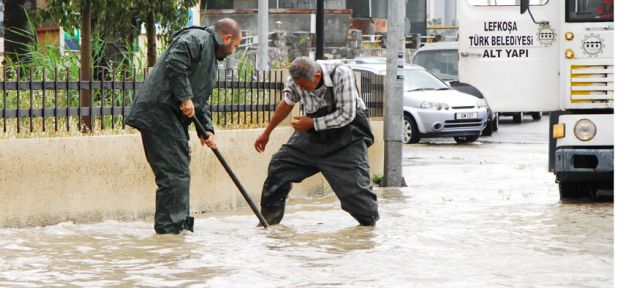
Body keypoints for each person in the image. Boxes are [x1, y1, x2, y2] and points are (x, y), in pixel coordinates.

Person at [125, 18, 242, 234]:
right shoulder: (197, 38)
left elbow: (201, 100)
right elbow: (176, 61)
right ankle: (170, 232)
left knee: (179, 170)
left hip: (169, 117)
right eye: (235, 46)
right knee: (174, 172)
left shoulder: (210, 60)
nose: (233, 51)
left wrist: (206, 129)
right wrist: (185, 97)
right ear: (227, 38)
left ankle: (179, 228)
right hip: (158, 112)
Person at [254, 57, 379, 226]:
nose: (301, 90)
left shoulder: (342, 74)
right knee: (279, 166)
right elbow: (287, 103)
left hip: (347, 136)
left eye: (304, 87)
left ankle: (368, 230)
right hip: (313, 136)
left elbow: (347, 115)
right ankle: (269, 222)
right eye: (299, 87)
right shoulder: (296, 78)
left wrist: (312, 123)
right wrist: (266, 133)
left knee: (358, 198)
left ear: (317, 76)